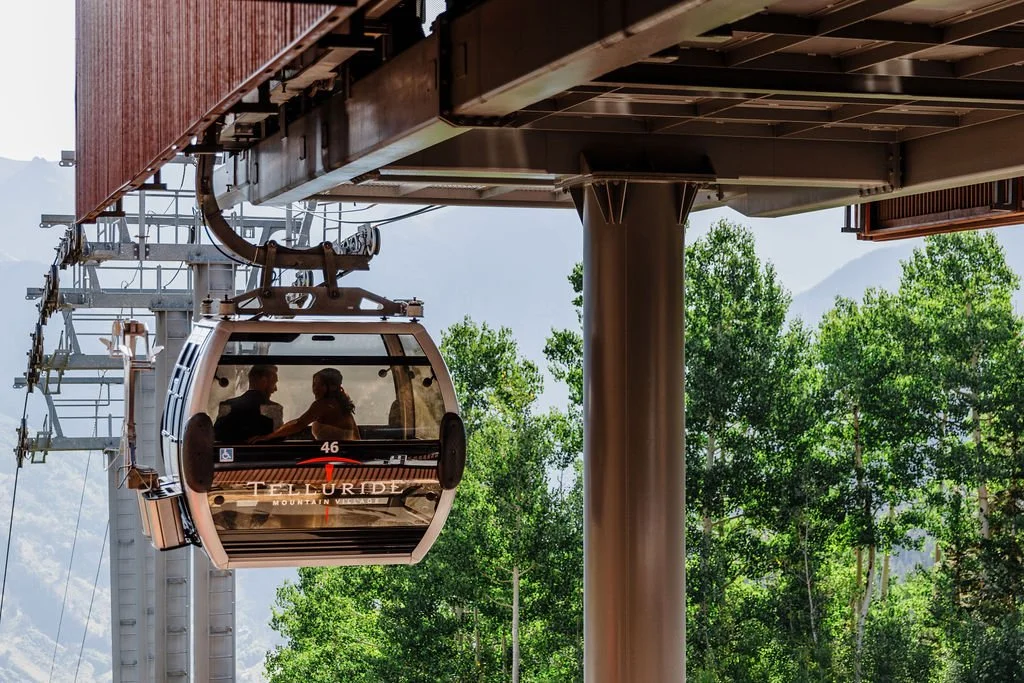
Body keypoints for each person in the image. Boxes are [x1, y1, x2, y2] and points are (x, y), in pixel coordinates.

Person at [249, 368, 360, 443]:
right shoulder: (342, 406)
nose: (315, 388)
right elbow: (357, 438)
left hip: (333, 458)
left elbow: (298, 424)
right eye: (314, 384)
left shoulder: (323, 404)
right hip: (340, 457)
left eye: (320, 385)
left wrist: (266, 438)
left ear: (333, 386)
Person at [213, 365, 283, 442]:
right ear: (263, 381)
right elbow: (280, 438)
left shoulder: (228, 405)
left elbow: (217, 436)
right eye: (274, 383)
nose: (275, 389)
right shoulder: (274, 409)